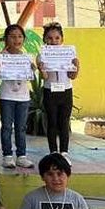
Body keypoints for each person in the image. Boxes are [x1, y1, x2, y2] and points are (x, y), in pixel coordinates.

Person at [0, 24, 36, 168]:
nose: (16, 40)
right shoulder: (1, 56)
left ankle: (21, 156)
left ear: (23, 39)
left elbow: (31, 78)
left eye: (19, 36)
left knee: (21, 128)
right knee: (6, 127)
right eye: (12, 36)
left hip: (23, 98)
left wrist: (32, 70)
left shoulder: (27, 58)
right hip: (6, 96)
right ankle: (7, 156)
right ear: (6, 39)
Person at [38, 22, 79, 161]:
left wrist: (76, 66)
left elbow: (72, 76)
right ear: (45, 39)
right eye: (49, 38)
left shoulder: (69, 54)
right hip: (50, 91)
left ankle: (64, 153)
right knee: (52, 122)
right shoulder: (42, 55)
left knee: (64, 122)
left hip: (65, 91)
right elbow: (45, 77)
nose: (53, 41)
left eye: (57, 38)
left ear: (62, 39)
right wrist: (42, 68)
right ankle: (53, 152)